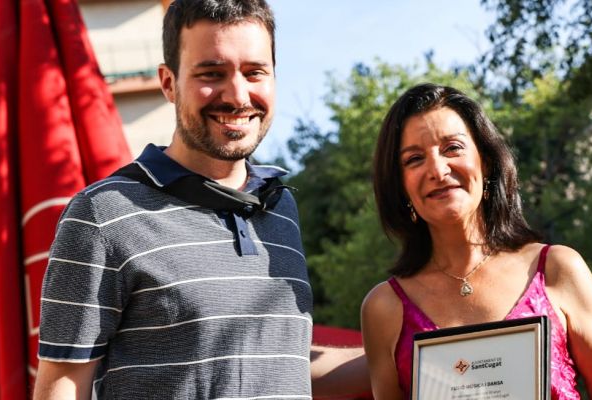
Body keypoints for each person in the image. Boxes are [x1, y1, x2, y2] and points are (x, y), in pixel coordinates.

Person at [33, 1, 368, 398]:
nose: (237, 95)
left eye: (254, 72)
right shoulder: (101, 214)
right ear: (168, 82)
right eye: (212, 73)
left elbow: (281, 361)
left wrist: (417, 350)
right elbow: (63, 386)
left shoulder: (281, 208)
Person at [362, 83, 592, 399]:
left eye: (452, 147)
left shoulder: (557, 269)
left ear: (487, 162)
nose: (437, 170)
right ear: (400, 187)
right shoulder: (383, 309)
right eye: (414, 159)